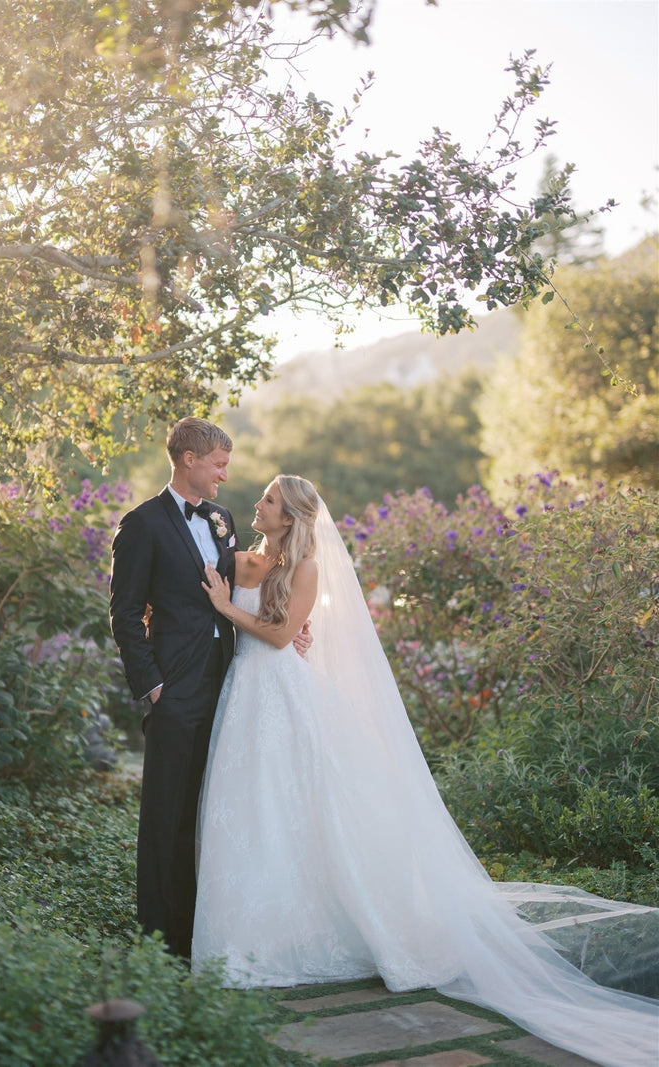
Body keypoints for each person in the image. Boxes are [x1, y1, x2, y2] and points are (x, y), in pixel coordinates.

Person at [193, 474, 659, 1067]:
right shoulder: (242, 556)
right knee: (251, 810)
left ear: (289, 516)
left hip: (281, 692)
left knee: (295, 806)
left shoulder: (305, 568)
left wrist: (226, 607)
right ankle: (251, 933)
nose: (255, 506)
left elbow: (284, 638)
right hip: (245, 695)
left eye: (267, 501)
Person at [109, 419, 310, 959]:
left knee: (214, 812)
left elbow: (249, 581)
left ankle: (207, 929)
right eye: (220, 462)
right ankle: (161, 941)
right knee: (166, 815)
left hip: (232, 685)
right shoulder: (141, 524)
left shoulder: (221, 519)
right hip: (174, 689)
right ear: (190, 459)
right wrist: (151, 686)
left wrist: (290, 620)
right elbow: (125, 615)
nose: (226, 472)